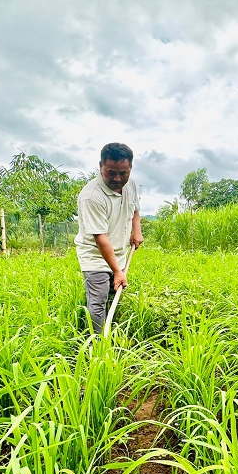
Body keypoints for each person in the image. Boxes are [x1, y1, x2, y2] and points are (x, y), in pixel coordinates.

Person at [74, 142, 143, 333]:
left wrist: (136, 231)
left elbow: (135, 208)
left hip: (119, 251)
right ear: (100, 166)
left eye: (123, 173)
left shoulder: (131, 185)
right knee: (98, 302)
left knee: (114, 294)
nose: (117, 178)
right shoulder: (91, 196)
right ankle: (99, 345)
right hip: (96, 254)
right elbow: (100, 239)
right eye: (111, 172)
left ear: (130, 168)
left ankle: (111, 330)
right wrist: (118, 271)